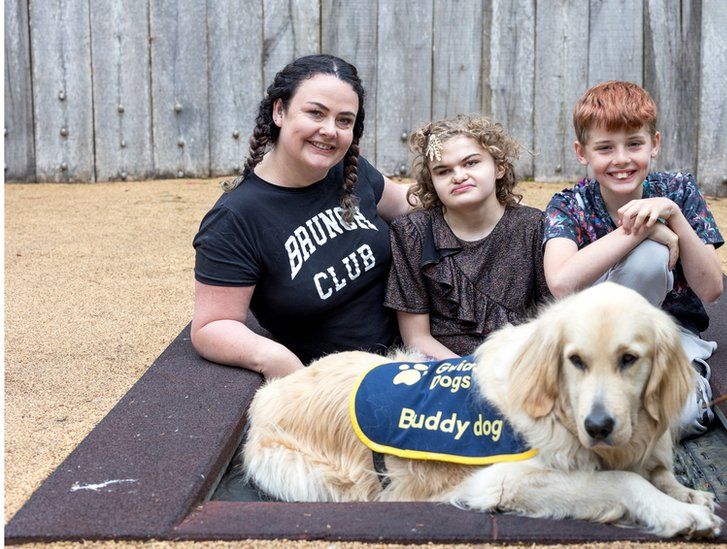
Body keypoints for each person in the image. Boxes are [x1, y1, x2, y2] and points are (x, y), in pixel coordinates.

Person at [191, 54, 412, 379]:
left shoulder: (349, 172)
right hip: (339, 386)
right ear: (279, 111)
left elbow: (408, 204)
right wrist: (278, 361)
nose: (330, 131)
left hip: (415, 354)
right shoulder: (235, 219)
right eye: (316, 113)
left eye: (344, 120)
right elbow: (212, 325)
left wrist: (471, 187)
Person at [543, 81, 724, 438]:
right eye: (605, 148)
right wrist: (640, 229)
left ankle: (686, 387)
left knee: (683, 418)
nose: (622, 159)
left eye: (635, 144)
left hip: (670, 334)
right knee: (648, 253)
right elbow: (561, 283)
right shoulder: (569, 205)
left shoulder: (677, 191)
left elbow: (711, 288)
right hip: (596, 338)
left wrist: (672, 215)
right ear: (582, 153)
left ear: (654, 144)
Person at [384, 115, 550, 359]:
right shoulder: (413, 233)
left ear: (499, 168)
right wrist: (467, 373)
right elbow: (417, 339)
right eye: (443, 171)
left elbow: (552, 320)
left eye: (471, 163)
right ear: (432, 182)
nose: (458, 176)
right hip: (441, 368)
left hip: (517, 363)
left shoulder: (534, 226)